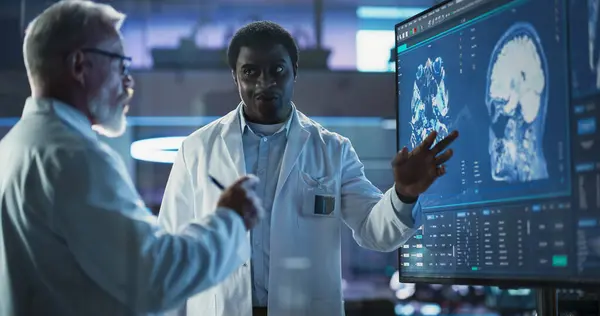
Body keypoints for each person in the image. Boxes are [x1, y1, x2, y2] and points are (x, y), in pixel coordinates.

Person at [158, 21, 459, 316]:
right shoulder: (196, 149)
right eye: (250, 72)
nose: (265, 83)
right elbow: (170, 255)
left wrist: (404, 194)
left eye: (277, 69)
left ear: (294, 73)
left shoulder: (333, 150)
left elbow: (374, 231)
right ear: (235, 77)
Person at [0, 1, 264, 315]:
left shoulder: (16, 144)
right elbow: (156, 279)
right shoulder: (74, 157)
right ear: (79, 66)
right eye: (121, 65)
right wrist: (230, 219)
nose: (129, 83)